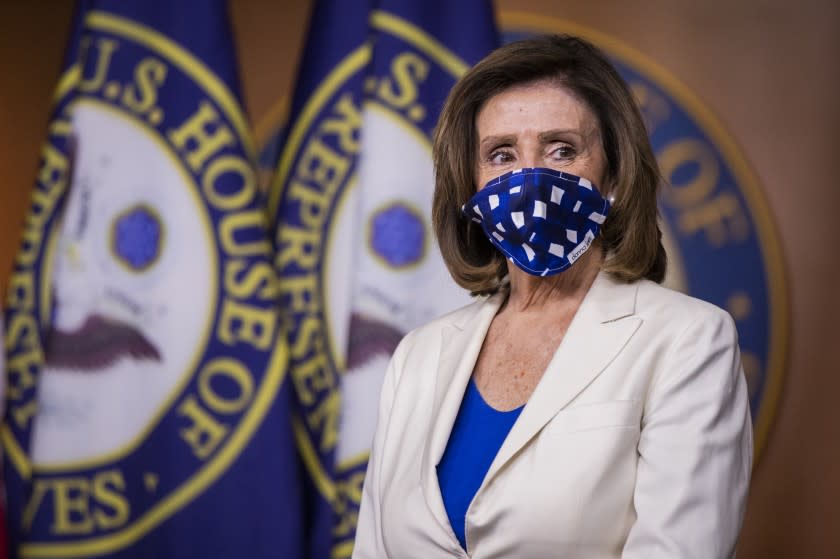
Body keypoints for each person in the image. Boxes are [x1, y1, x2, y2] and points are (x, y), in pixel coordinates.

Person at [353, 34, 752, 558]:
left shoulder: (688, 340)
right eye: (501, 154)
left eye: (562, 148)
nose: (528, 178)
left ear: (612, 172)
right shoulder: (418, 356)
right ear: (470, 185)